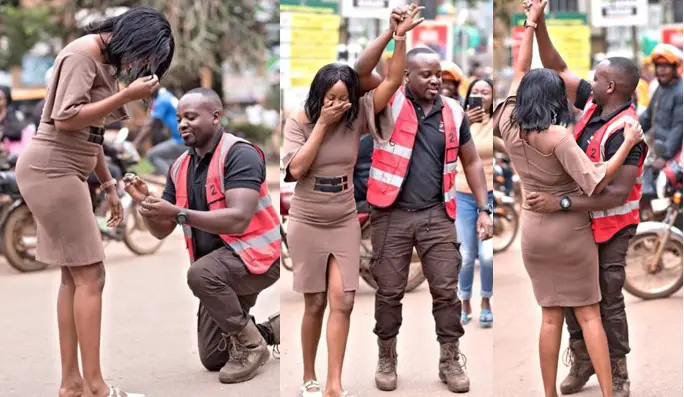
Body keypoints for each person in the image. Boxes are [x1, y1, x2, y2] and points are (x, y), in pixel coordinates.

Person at [14, 6, 174, 397]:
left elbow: (91, 132)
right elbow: (66, 119)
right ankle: (96, 387)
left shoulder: (99, 58)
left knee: (74, 276)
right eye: (146, 55)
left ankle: (72, 385)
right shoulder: (82, 55)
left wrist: (107, 184)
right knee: (92, 275)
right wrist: (126, 96)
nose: (142, 64)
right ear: (133, 37)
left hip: (64, 169)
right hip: (52, 169)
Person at [493, 1, 644, 396]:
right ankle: (585, 367)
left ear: (610, 86)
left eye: (595, 77)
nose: (583, 81)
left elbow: (614, 193)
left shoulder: (509, 121)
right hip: (573, 228)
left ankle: (616, 371)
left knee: (602, 303)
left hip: (605, 225)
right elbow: (553, 66)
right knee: (585, 311)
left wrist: (560, 203)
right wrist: (537, 23)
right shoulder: (585, 111)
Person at [282, 6, 424, 397]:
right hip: (308, 218)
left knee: (342, 302)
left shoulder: (358, 113)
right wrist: (324, 125)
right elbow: (295, 171)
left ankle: (333, 383)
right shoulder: (301, 121)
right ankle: (309, 376)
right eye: (331, 98)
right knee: (314, 305)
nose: (338, 105)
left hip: (343, 216)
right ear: (318, 95)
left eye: (344, 98)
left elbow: (393, 78)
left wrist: (397, 35)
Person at [353, 19, 493, 397]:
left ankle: (450, 359)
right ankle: (387, 357)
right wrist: (394, 35)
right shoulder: (388, 102)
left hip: (437, 214)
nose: (435, 80)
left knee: (446, 293)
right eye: (427, 75)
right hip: (391, 215)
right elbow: (360, 72)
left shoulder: (453, 112)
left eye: (438, 74)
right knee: (389, 292)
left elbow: (472, 162)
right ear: (406, 76)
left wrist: (484, 208)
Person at [123, 87, 281, 384]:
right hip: (221, 270)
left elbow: (238, 219)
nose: (182, 123)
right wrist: (146, 204)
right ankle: (272, 331)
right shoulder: (180, 166)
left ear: (216, 117)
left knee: (200, 274)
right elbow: (161, 231)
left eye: (191, 117)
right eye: (180, 117)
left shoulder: (240, 154)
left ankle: (251, 345)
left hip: (258, 259)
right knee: (213, 357)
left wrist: (178, 213)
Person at [457, 77, 495, 328]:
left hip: (489, 194)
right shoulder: (459, 119)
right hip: (462, 193)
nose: (481, 96)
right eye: (476, 92)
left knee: (488, 255)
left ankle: (486, 301)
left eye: (486, 92)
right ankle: (464, 301)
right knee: (467, 255)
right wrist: (465, 124)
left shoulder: (496, 123)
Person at [639, 44, 683, 199]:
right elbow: (646, 118)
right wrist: (624, 130)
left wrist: (665, 157)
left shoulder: (680, 92)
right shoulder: (660, 89)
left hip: (674, 155)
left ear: (675, 68)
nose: (661, 70)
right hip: (658, 151)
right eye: (659, 66)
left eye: (666, 66)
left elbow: (679, 128)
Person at [133, 86, 184, 176]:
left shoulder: (161, 100)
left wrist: (135, 145)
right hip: (182, 138)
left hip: (181, 141)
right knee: (167, 159)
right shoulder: (167, 95)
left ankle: (171, 180)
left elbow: (150, 125)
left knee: (152, 154)